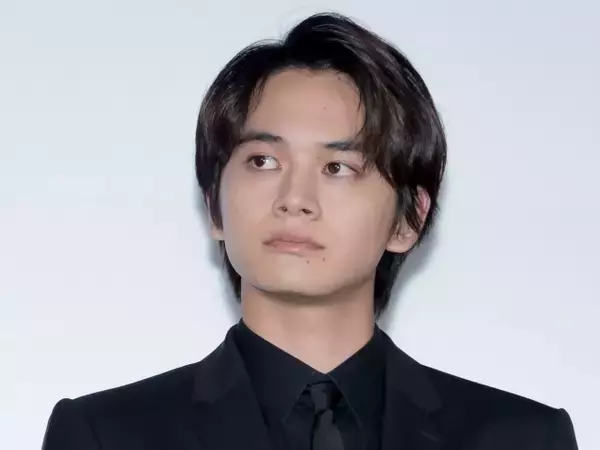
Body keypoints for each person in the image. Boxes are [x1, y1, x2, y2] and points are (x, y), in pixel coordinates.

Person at [42, 12, 578, 450]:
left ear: (409, 218)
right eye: (262, 161)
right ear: (214, 206)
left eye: (337, 168)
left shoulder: (524, 438)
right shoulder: (104, 435)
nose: (294, 199)